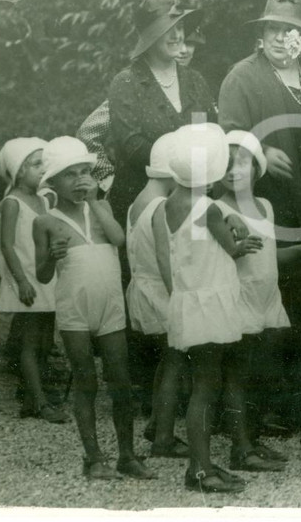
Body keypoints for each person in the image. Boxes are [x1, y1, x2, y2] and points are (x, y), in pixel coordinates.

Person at [219, 0, 301, 435]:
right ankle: (263, 409)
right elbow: (228, 132)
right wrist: (264, 146)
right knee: (272, 303)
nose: (281, 38)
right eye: (273, 28)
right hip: (266, 202)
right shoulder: (243, 77)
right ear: (261, 33)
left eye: (291, 31)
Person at [33, 137, 153, 480]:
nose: (80, 180)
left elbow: (118, 239)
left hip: (110, 308)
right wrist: (49, 258)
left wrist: (99, 200)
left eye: (85, 172)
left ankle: (127, 455)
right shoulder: (46, 221)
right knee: (86, 381)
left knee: (121, 381)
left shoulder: (102, 210)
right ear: (52, 182)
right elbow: (42, 276)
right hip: (75, 312)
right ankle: (94, 457)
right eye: (70, 174)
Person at [152, 123, 258, 493]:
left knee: (201, 385)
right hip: (210, 304)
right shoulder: (210, 206)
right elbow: (232, 248)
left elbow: (198, 238)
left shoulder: (172, 203)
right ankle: (200, 470)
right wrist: (242, 234)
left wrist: (224, 220)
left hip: (189, 300)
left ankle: (201, 463)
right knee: (206, 389)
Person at [217, 130, 300, 473]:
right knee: (237, 372)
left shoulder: (265, 206)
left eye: (243, 163)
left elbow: (267, 254)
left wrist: (297, 251)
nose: (235, 171)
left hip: (268, 296)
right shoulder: (217, 209)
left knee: (261, 373)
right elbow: (221, 255)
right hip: (240, 296)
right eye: (226, 164)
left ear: (257, 168)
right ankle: (240, 447)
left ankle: (253, 437)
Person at [108, 0, 215, 228]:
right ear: (150, 35)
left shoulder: (194, 80)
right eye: (168, 29)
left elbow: (207, 130)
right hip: (143, 202)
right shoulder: (127, 82)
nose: (177, 35)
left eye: (180, 27)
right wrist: (185, 171)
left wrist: (202, 169)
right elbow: (132, 144)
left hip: (195, 200)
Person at [125, 132, 187, 458]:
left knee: (168, 358)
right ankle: (163, 436)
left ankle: (155, 422)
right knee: (176, 361)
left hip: (141, 287)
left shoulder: (138, 202)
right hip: (160, 292)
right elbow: (165, 259)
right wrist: (179, 297)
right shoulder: (162, 206)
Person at [0, 138, 65, 424]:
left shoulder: (44, 199)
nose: (42, 170)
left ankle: (31, 394)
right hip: (26, 279)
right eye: (36, 164)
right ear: (18, 171)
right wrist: (21, 281)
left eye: (43, 164)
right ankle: (38, 400)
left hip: (45, 276)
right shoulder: (11, 203)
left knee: (44, 340)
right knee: (29, 341)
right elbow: (7, 245)